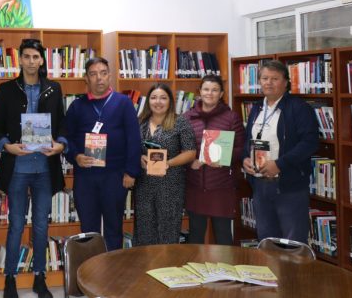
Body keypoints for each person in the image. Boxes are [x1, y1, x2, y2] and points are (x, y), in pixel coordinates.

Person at [0, 39, 67, 298]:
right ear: (20, 59)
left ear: (42, 60)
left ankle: (39, 276)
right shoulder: (6, 89)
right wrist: (6, 146)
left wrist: (61, 145)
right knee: (15, 224)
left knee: (40, 226)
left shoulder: (54, 89)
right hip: (17, 168)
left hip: (45, 169)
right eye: (27, 56)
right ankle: (10, 278)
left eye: (36, 56)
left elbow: (62, 125)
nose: (31, 61)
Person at [65, 57, 140, 251]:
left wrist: (131, 172)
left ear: (109, 76)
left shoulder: (123, 103)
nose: (99, 78)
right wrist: (75, 156)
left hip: (114, 176)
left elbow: (134, 139)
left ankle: (113, 276)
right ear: (86, 79)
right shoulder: (77, 106)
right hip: (86, 176)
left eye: (103, 73)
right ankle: (90, 275)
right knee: (88, 229)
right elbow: (66, 138)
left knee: (114, 227)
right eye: (93, 74)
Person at [241, 60, 319, 243]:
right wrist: (245, 158)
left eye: (274, 78)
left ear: (285, 83)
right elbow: (249, 139)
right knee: (267, 240)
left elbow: (309, 142)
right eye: (264, 78)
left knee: (293, 242)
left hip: (288, 185)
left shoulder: (299, 108)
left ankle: (292, 273)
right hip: (260, 185)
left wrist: (279, 164)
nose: (268, 82)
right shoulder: (257, 108)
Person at [184, 75, 245, 245]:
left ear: (221, 93)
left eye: (215, 90)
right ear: (199, 92)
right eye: (206, 89)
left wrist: (223, 156)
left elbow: (241, 149)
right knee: (195, 234)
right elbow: (180, 147)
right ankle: (193, 271)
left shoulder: (231, 117)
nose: (209, 93)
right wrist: (190, 161)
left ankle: (225, 272)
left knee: (223, 235)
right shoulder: (187, 117)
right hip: (194, 185)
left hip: (221, 186)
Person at [133, 83, 196, 246]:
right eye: (153, 98)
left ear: (170, 101)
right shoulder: (140, 122)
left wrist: (168, 163)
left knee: (167, 232)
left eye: (163, 98)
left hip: (170, 185)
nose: (158, 102)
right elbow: (131, 148)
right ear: (148, 101)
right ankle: (145, 268)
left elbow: (190, 152)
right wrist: (139, 158)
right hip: (144, 185)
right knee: (144, 231)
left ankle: (165, 270)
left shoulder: (180, 121)